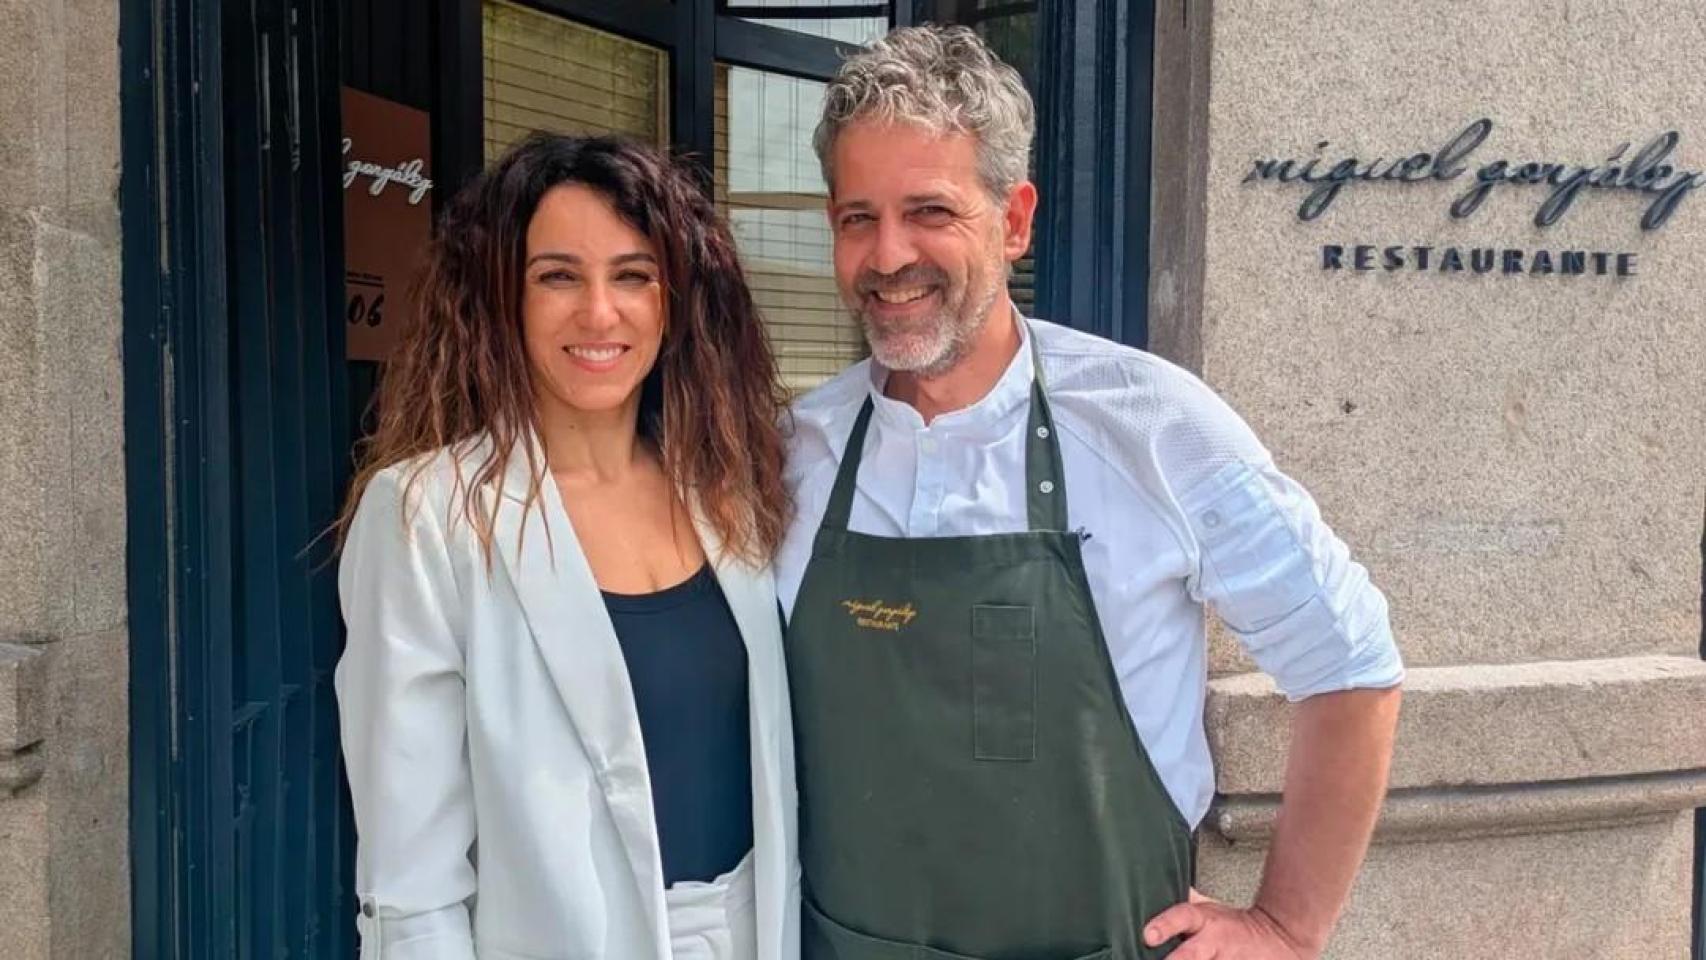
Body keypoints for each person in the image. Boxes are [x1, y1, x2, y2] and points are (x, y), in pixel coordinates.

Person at [778, 25, 1402, 960]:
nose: (887, 254)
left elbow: (1350, 660)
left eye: (930, 212)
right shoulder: (797, 449)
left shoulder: (1153, 428)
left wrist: (1284, 925)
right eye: (858, 217)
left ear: (1015, 220)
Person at [334, 134, 799, 960]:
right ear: (500, 298)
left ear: (675, 300)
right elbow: (411, 886)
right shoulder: (428, 515)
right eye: (558, 276)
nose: (598, 312)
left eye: (633, 275)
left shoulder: (729, 485)